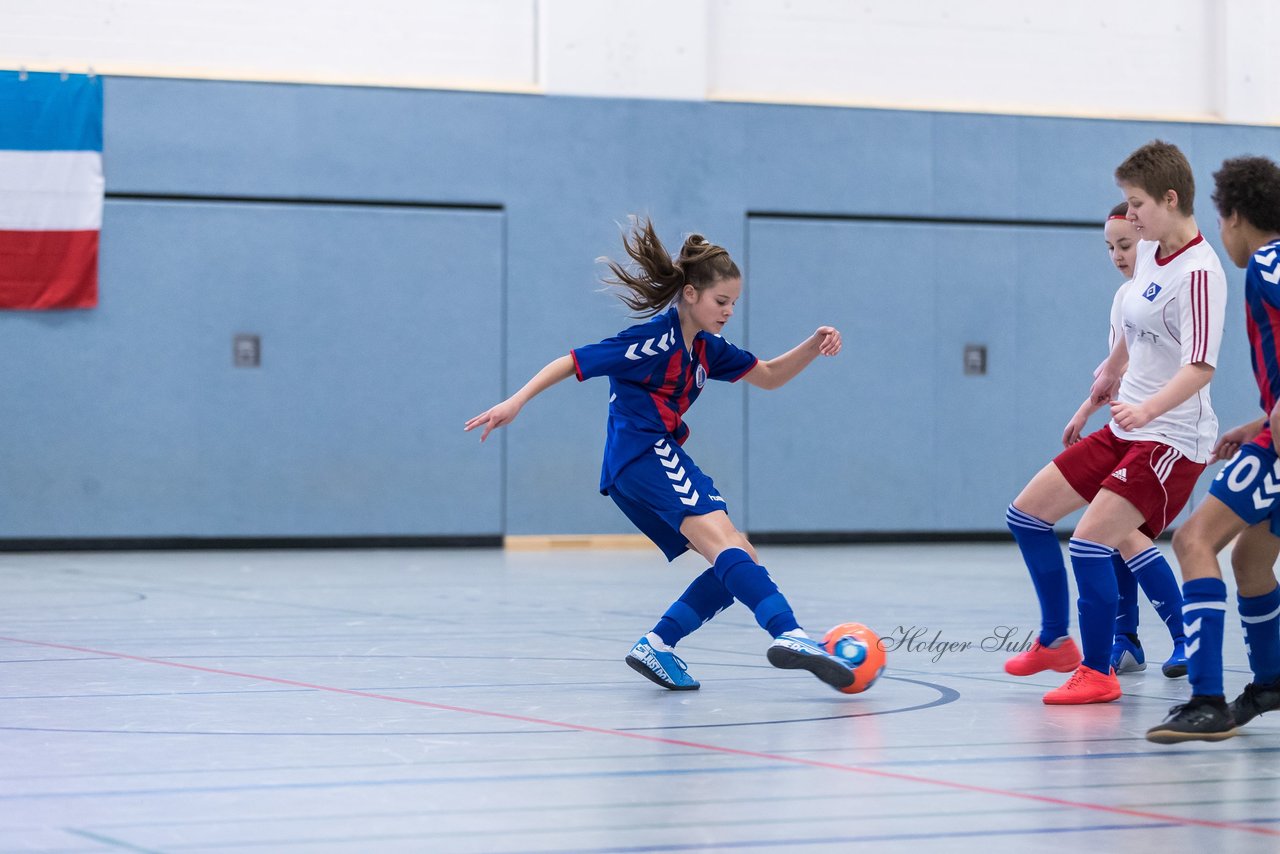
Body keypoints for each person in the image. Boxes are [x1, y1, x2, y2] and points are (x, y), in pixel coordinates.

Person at [465, 217, 859, 692]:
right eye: (721, 301)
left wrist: (815, 346)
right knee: (726, 546)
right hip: (644, 454)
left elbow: (771, 375)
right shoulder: (653, 340)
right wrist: (516, 401)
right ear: (690, 294)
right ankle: (790, 634)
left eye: (734, 303)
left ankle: (658, 645)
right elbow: (573, 361)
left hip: (651, 459)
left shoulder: (707, 349)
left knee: (739, 554)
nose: (729, 311)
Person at [1003, 140, 1227, 705]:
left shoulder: (1201, 273)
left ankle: (1099, 672)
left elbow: (1199, 366)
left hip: (1171, 439)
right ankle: (1056, 642)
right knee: (1026, 514)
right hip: (1127, 426)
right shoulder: (1150, 249)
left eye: (1136, 205)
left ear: (1170, 199)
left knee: (1090, 543)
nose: (1128, 217)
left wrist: (1148, 408)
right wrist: (1109, 377)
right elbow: (1132, 323)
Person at [1146, 155, 1280, 743]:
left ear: (1232, 219)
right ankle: (1271, 681)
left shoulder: (1269, 265)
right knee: (1252, 561)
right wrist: (1260, 422)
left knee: (1194, 539)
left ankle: (1204, 699)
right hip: (1271, 435)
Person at [1060, 203, 1189, 678]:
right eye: (1110, 247)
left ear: (1150, 237)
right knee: (1112, 536)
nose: (1116, 255)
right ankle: (1126, 639)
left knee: (1121, 535)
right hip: (1126, 429)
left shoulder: (1176, 287)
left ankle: (1184, 638)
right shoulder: (1123, 299)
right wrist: (1085, 409)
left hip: (1166, 434)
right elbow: (1118, 370)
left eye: (1126, 244)